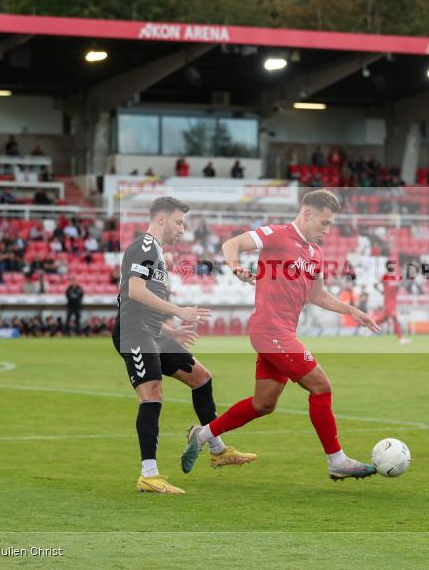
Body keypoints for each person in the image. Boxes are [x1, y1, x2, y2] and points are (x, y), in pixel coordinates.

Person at [181, 189, 381, 481]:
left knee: (263, 404)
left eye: (330, 224)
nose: (327, 230)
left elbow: (318, 295)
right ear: (307, 213)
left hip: (281, 332)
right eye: (324, 223)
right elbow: (231, 244)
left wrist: (351, 310)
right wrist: (235, 267)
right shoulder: (277, 235)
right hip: (269, 329)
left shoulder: (315, 253)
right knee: (321, 386)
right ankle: (337, 460)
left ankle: (201, 435)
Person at [114, 196, 256, 494]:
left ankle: (217, 449)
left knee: (201, 377)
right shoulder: (144, 246)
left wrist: (169, 330)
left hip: (152, 331)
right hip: (134, 334)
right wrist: (179, 312)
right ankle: (148, 475)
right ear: (161, 219)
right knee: (152, 395)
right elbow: (135, 292)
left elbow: (136, 301)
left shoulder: (156, 252)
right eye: (179, 222)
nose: (182, 228)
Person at [374, 269, 411, 345]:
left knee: (382, 319)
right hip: (388, 303)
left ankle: (366, 327)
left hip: (393, 302)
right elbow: (375, 285)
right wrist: (382, 291)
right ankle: (401, 338)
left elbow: (400, 286)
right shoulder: (385, 277)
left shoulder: (396, 278)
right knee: (395, 318)